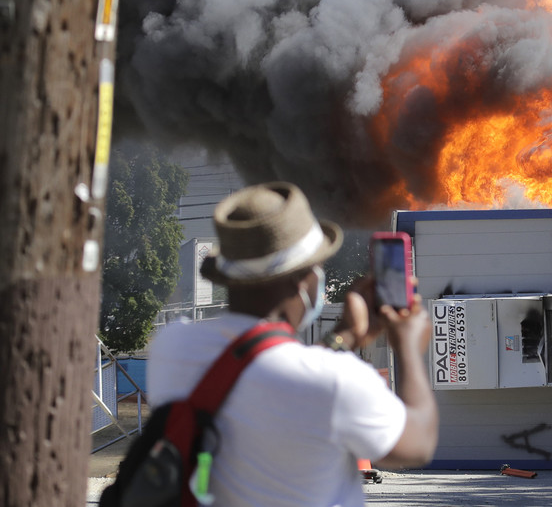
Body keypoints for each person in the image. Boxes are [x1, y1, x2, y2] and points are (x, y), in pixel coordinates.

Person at [147, 181, 438, 507]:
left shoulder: (171, 346)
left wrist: (345, 336)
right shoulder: (335, 379)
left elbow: (269, 377)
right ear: (304, 280)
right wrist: (408, 347)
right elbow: (418, 442)